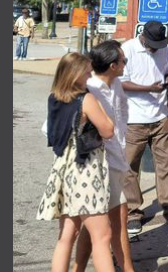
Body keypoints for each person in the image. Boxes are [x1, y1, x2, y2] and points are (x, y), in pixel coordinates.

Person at [36, 52, 117, 272]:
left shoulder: (55, 97)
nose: (90, 74)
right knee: (102, 236)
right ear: (75, 74)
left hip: (64, 168)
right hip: (85, 169)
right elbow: (108, 130)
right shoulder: (86, 99)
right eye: (86, 71)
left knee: (66, 236)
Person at [120, 20, 168, 237]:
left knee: (167, 166)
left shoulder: (163, 49)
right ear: (142, 36)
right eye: (151, 44)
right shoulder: (127, 49)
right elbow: (121, 81)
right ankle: (133, 212)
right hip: (134, 118)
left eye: (158, 44)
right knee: (130, 167)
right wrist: (148, 88)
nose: (154, 48)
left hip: (160, 117)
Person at [73, 41, 137, 272]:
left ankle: (77, 269)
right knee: (116, 222)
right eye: (124, 61)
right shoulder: (87, 89)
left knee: (94, 227)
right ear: (112, 65)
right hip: (96, 167)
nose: (126, 65)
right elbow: (53, 128)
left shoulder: (115, 84)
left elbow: (121, 123)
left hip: (115, 164)